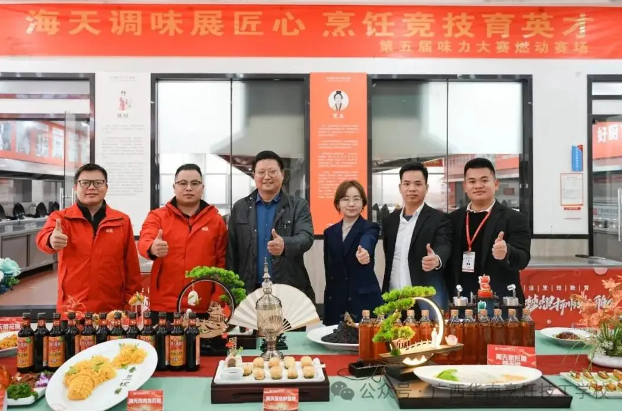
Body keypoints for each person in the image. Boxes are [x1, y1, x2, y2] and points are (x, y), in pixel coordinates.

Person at [35, 163, 142, 313]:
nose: (91, 187)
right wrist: (51, 239)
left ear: (106, 187)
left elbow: (132, 267)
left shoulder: (121, 220)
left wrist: (132, 305)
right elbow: (42, 238)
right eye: (85, 183)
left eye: (98, 183)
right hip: (72, 308)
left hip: (112, 308)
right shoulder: (62, 218)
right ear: (75, 187)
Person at [138, 164, 228, 314]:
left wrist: (218, 298)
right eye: (182, 183)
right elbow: (145, 239)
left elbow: (222, 263)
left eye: (195, 183)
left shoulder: (216, 221)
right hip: (163, 305)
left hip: (203, 304)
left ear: (202, 187)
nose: (189, 188)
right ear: (174, 187)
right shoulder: (157, 216)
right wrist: (152, 247)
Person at [227, 151, 315, 302]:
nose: (267, 177)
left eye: (272, 172)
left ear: (282, 174)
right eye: (261, 172)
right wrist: (232, 291)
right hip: (249, 291)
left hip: (288, 290)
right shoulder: (240, 207)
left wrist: (285, 244)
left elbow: (306, 237)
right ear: (254, 175)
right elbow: (232, 252)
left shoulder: (298, 205)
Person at [448, 157, 531, 302]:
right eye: (472, 181)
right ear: (465, 186)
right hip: (461, 300)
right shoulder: (452, 219)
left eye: (484, 180)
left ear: (496, 184)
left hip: (500, 301)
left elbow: (523, 259)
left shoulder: (515, 218)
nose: (478, 185)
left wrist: (507, 252)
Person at [381, 162, 452, 315]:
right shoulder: (389, 221)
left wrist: (436, 259)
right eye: (407, 184)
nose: (412, 188)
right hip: (394, 299)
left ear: (426, 188)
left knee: (431, 330)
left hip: (425, 300)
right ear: (400, 187)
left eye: (418, 184)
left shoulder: (439, 219)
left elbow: (444, 244)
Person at [323, 180, 382, 325]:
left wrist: (364, 253)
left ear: (363, 203)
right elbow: (329, 269)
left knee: (365, 338)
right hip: (336, 301)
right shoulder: (330, 232)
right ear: (338, 203)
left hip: (362, 301)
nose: (351, 204)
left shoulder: (370, 227)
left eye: (356, 199)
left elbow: (368, 241)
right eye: (345, 199)